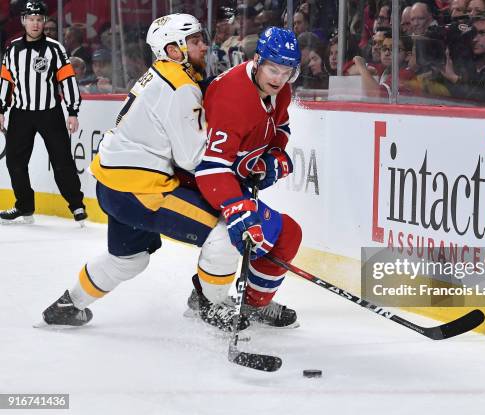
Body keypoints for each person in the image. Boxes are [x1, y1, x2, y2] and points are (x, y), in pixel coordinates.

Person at [39, 13, 216, 327]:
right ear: (173, 51)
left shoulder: (162, 73)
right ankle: (208, 301)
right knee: (224, 232)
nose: (204, 45)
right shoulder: (181, 86)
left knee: (129, 259)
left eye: (202, 38)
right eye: (194, 41)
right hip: (141, 190)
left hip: (112, 186)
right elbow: (192, 157)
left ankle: (68, 305)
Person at [190, 26, 303, 330]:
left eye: (287, 71)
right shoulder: (232, 97)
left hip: (233, 183)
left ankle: (252, 305)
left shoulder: (280, 90)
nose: (279, 78)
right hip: (204, 185)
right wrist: (236, 206)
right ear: (257, 60)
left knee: (287, 233)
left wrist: (273, 158)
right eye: (273, 68)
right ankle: (204, 298)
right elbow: (212, 167)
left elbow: (281, 129)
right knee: (254, 234)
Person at [0, 0, 86, 225]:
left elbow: (67, 79)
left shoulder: (55, 48)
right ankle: (24, 207)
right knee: (15, 162)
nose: (35, 24)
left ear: (44, 21)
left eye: (39, 19)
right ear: (23, 21)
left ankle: (77, 206)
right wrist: (1, 108)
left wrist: (72, 110)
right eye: (31, 19)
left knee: (62, 161)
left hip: (50, 112)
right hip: (20, 113)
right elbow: (6, 81)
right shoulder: (13, 48)